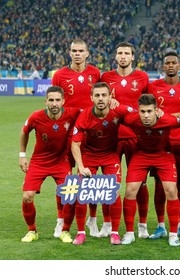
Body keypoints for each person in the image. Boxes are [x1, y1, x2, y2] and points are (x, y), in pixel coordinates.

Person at [71, 82, 133, 245]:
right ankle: (81, 233)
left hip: (110, 155)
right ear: (91, 97)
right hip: (89, 155)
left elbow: (138, 116)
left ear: (110, 97)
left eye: (104, 95)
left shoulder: (118, 111)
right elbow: (75, 144)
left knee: (114, 191)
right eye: (97, 95)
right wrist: (81, 166)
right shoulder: (85, 115)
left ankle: (114, 232)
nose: (100, 98)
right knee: (82, 192)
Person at [52, 38, 101, 238]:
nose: (78, 53)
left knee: (90, 179)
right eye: (74, 50)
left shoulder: (95, 73)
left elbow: (102, 97)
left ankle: (92, 219)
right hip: (65, 133)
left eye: (81, 50)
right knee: (64, 179)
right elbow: (53, 102)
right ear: (69, 53)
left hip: (89, 134)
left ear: (87, 53)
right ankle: (60, 220)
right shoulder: (60, 75)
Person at [147, 51, 180, 240]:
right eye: (167, 63)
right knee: (159, 184)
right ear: (163, 66)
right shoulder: (153, 87)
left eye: (173, 63)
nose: (170, 65)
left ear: (179, 66)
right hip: (159, 143)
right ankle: (161, 225)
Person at [100, 41, 150, 239]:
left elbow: (148, 107)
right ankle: (106, 224)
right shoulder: (106, 77)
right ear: (115, 56)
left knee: (140, 184)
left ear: (132, 57)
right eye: (119, 53)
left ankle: (143, 225)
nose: (122, 56)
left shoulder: (142, 77)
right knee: (108, 183)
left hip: (136, 137)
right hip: (111, 137)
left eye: (126, 53)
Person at [19, 86, 80, 242]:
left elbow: (90, 114)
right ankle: (32, 231)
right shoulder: (36, 116)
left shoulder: (72, 113)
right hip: (39, 161)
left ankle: (65, 231)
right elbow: (24, 132)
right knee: (27, 196)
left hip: (62, 161)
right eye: (51, 100)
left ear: (63, 101)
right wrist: (22, 155)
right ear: (45, 101)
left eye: (58, 100)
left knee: (70, 196)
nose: (54, 104)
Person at [120, 94, 180, 247]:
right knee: (130, 191)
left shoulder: (168, 120)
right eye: (143, 112)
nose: (146, 115)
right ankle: (129, 234)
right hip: (141, 155)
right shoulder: (131, 119)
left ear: (156, 110)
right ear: (138, 111)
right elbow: (117, 113)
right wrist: (112, 100)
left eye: (149, 111)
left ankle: (173, 234)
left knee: (171, 191)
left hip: (163, 155)